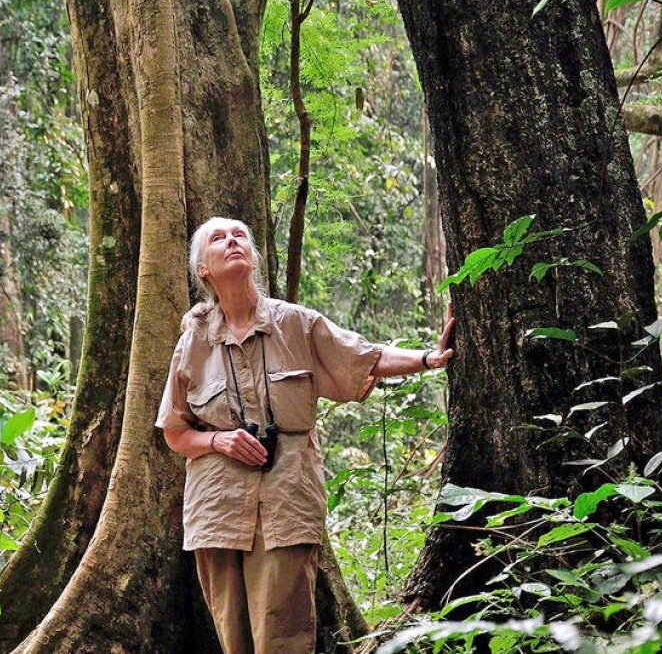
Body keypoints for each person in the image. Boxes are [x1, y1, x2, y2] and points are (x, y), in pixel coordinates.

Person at [155, 217, 455, 654]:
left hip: (286, 498)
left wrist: (430, 358)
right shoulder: (194, 341)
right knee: (232, 636)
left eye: (239, 235)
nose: (232, 241)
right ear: (203, 269)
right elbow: (175, 432)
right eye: (218, 239)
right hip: (216, 507)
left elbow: (364, 357)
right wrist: (219, 441)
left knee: (283, 635)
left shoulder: (295, 323)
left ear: (254, 258)